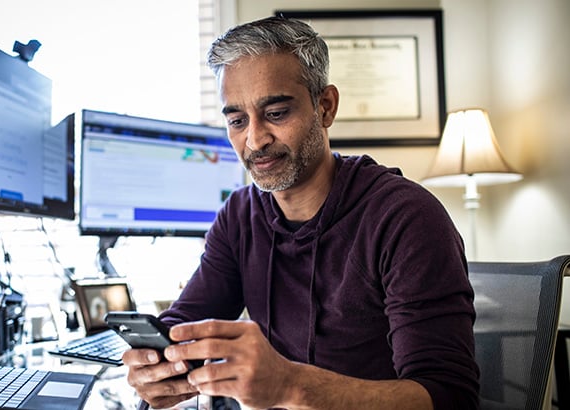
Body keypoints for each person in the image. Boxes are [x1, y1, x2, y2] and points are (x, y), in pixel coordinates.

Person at [122, 16, 479, 410]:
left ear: (325, 107)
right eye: (237, 121)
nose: (254, 140)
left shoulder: (406, 218)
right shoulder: (240, 216)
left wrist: (292, 386)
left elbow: (449, 396)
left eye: (276, 113)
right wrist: (155, 367)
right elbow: (184, 326)